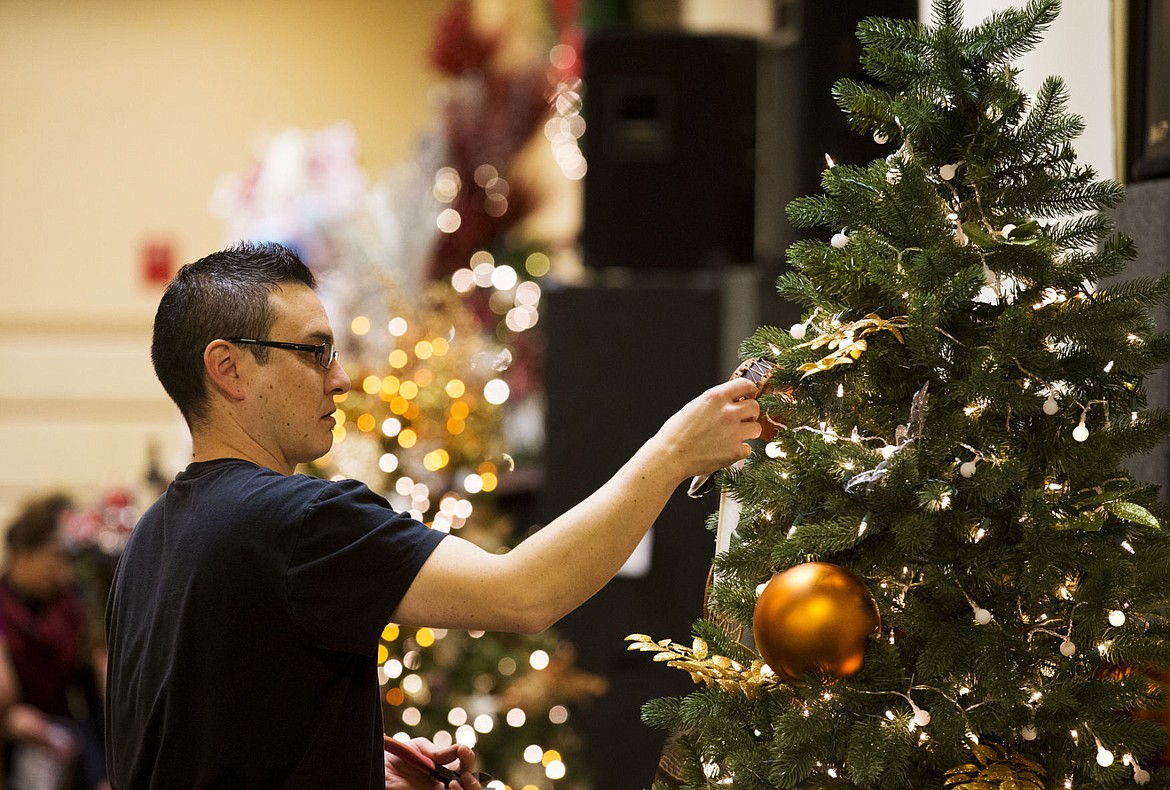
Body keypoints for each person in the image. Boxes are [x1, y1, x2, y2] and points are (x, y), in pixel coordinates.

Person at [104, 242, 762, 789]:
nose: (338, 379)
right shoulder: (295, 521)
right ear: (228, 368)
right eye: (315, 351)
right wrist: (674, 452)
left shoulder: (151, 539)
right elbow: (524, 595)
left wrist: (364, 765)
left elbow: (208, 738)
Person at [1, 494, 109, 790]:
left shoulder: (67, 606)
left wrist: (103, 772)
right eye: (55, 558)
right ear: (23, 555)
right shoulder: (2, 605)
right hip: (13, 747)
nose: (63, 571)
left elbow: (90, 692)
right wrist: (10, 719)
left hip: (65, 741)